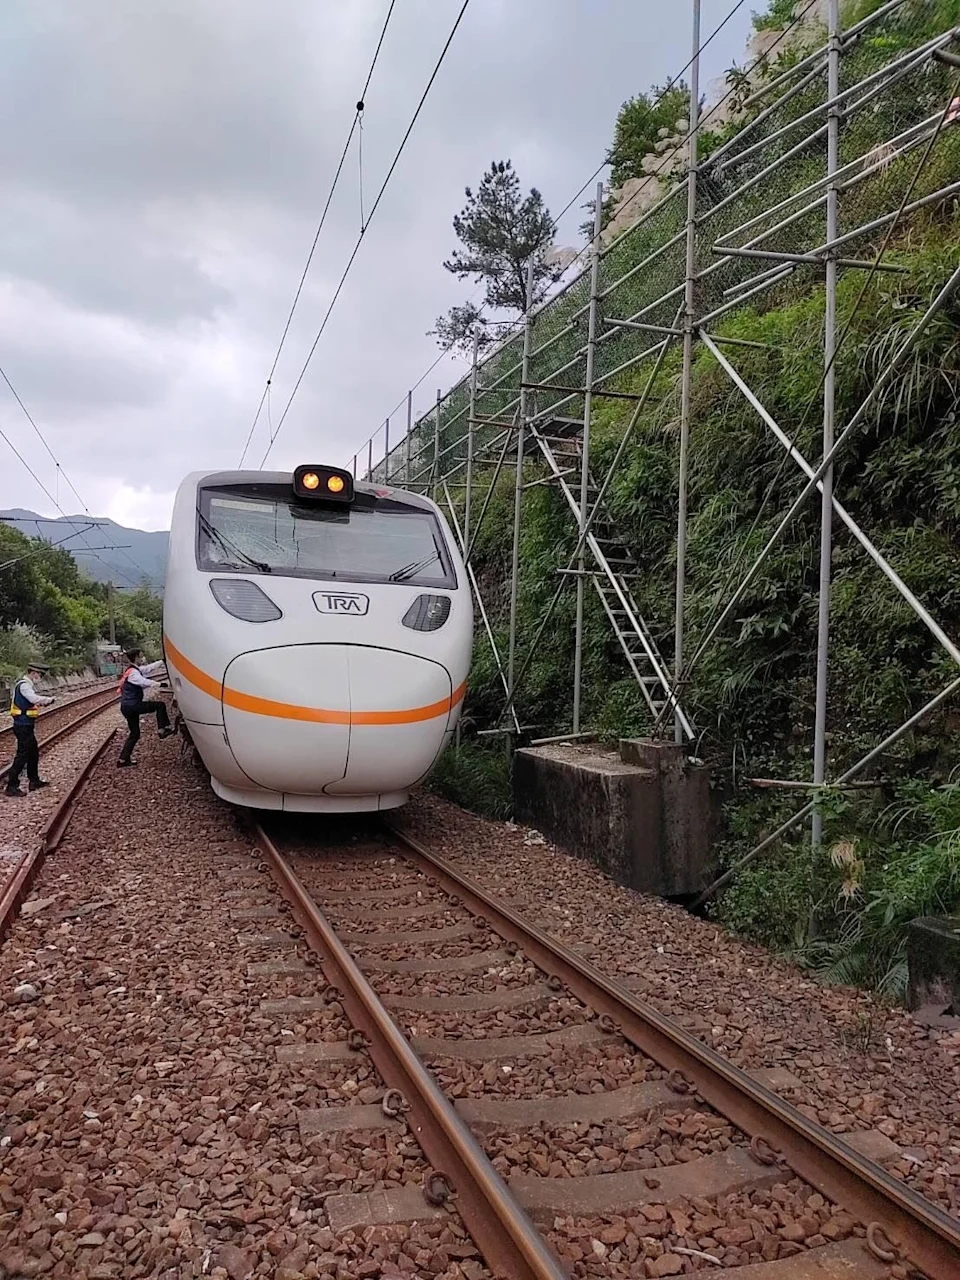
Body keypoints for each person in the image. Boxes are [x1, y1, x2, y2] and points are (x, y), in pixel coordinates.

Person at [5, 663, 56, 798]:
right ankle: (11, 786)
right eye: (40, 674)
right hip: (22, 725)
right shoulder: (24, 685)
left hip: (26, 724)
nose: (40, 677)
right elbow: (33, 699)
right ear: (33, 672)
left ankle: (34, 781)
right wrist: (48, 700)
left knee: (33, 752)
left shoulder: (26, 685)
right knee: (22, 755)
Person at [117, 649, 174, 767]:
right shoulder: (133, 673)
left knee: (135, 733)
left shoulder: (132, 670)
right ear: (136, 657)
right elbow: (142, 681)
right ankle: (162, 729)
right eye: (140, 657)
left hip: (127, 707)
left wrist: (162, 662)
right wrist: (159, 684)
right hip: (133, 705)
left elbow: (148, 668)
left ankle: (123, 760)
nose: (142, 659)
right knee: (160, 705)